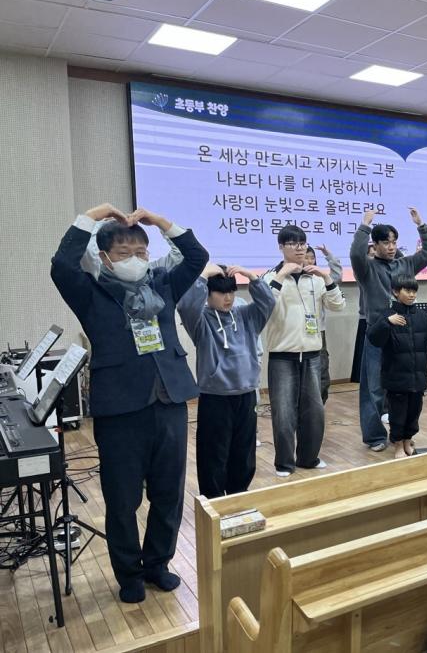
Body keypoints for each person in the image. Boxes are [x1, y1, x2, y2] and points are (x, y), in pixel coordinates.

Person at [50, 204, 209, 604]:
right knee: (122, 500)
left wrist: (162, 223)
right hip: (120, 410)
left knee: (169, 493)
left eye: (141, 252)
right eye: (124, 253)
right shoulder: (91, 293)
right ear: (105, 258)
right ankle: (129, 573)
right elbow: (62, 265)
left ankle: (158, 563)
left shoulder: (163, 286)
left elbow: (197, 258)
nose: (135, 259)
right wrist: (92, 216)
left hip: (169, 401)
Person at [177, 263, 275, 498]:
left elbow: (268, 302)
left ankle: (238, 495)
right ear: (208, 294)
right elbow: (185, 306)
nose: (228, 298)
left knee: (244, 451)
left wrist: (252, 277)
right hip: (215, 396)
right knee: (213, 452)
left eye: (231, 291)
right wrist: (203, 275)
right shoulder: (201, 321)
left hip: (246, 393)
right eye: (221, 292)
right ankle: (213, 499)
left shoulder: (246, 315)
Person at [351, 207, 427, 450]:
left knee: (404, 387)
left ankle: (403, 434)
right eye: (386, 243)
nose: (391, 247)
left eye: (394, 242)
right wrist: (365, 225)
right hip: (379, 334)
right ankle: (374, 436)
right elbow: (356, 254)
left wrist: (421, 225)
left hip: (403, 334)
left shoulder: (405, 264)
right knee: (373, 388)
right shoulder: (367, 268)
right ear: (375, 244)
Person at [262, 225, 345, 475]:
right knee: (283, 412)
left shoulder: (315, 278)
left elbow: (338, 305)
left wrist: (326, 278)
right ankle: (284, 463)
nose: (299, 248)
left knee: (314, 411)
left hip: (312, 354)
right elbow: (264, 306)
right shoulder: (270, 277)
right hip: (282, 355)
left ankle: (309, 458)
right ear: (281, 247)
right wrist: (281, 275)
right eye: (292, 243)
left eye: (302, 243)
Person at [367, 275, 427, 459]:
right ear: (396, 292)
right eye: (407, 291)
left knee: (414, 412)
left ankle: (407, 440)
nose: (412, 295)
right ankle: (397, 444)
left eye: (414, 291)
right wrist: (386, 323)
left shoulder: (422, 316)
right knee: (397, 413)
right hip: (396, 377)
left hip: (418, 376)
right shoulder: (388, 315)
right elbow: (374, 338)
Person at [303, 244, 342, 403]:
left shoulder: (320, 279)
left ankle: (320, 403)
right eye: (306, 257)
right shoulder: (290, 279)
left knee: (322, 369)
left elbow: (336, 276)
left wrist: (328, 255)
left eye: (312, 258)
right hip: (298, 332)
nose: (310, 261)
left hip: (318, 330)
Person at [350, 243, 376, 383]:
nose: (374, 258)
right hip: (366, 318)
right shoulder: (362, 273)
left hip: (385, 318)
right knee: (364, 361)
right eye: (371, 255)